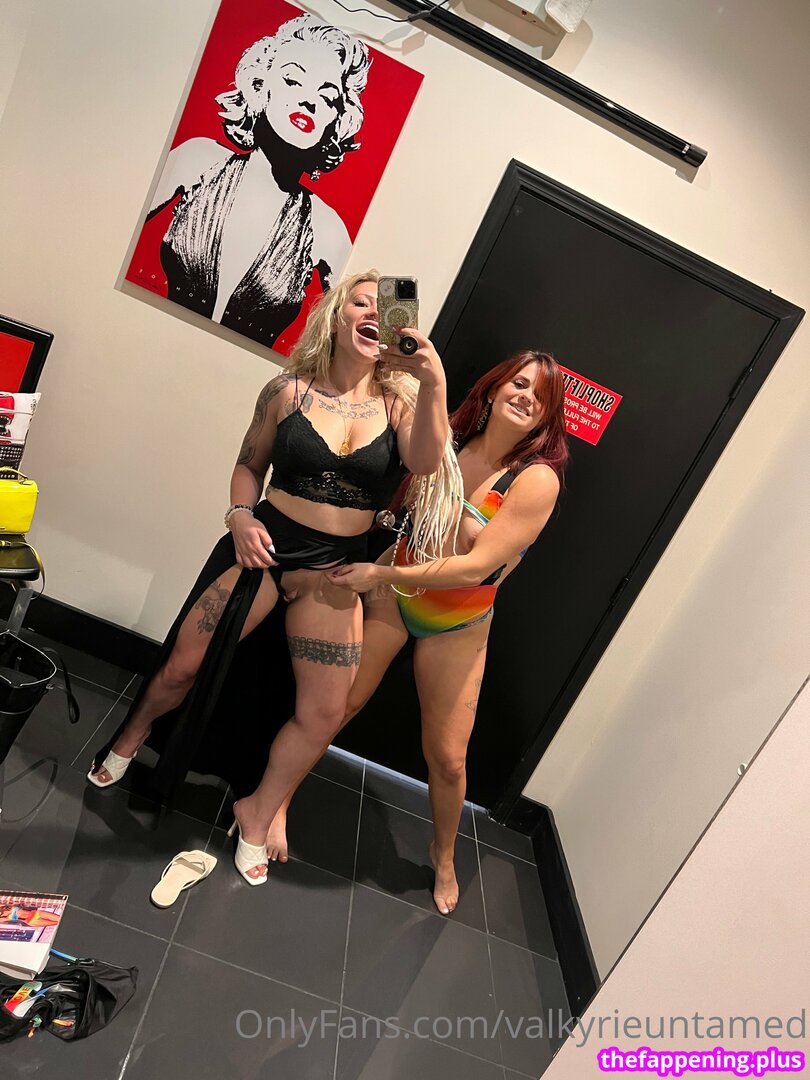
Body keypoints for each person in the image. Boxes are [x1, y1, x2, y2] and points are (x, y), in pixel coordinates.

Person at [88, 270, 463, 887]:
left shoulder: (400, 405)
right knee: (182, 666)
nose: (374, 313)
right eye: (361, 303)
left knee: (323, 712)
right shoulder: (287, 391)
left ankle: (258, 812)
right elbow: (249, 465)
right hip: (263, 549)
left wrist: (434, 381)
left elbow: (424, 462)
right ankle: (133, 734)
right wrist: (239, 514)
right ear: (337, 316)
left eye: (385, 306)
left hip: (332, 570)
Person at [266, 352, 569, 914]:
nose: (526, 397)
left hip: (457, 617)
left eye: (541, 396)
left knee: (448, 759)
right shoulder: (451, 442)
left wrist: (382, 574)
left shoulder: (536, 480)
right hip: (396, 589)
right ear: (495, 387)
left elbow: (477, 568)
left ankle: (444, 854)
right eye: (519, 383)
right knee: (336, 705)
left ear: (549, 416)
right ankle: (275, 801)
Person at [150, 15, 370, 348]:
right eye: (293, 80)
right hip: (149, 339)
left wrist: (400, 343)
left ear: (336, 119)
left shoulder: (327, 228)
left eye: (327, 97)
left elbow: (363, 334)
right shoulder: (197, 160)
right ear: (259, 86)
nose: (309, 101)